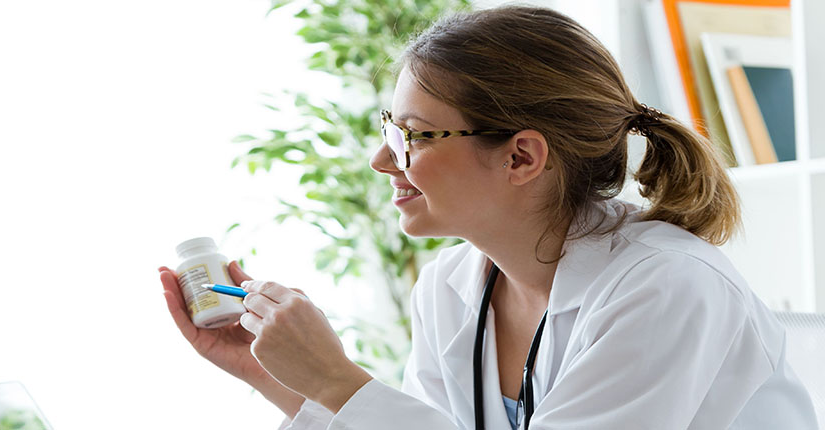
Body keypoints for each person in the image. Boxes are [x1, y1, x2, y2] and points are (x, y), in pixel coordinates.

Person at [159, 5, 817, 429]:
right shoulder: (451, 285)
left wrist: (336, 377)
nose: (381, 160)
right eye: (391, 129)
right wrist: (275, 374)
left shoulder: (667, 286)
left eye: (413, 135)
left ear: (523, 157)